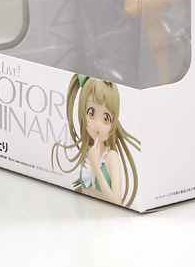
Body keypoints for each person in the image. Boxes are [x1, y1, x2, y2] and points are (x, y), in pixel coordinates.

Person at [51, 74, 140, 207]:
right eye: (91, 113)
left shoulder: (111, 157)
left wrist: (96, 166)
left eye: (106, 118)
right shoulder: (86, 155)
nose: (98, 124)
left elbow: (117, 203)